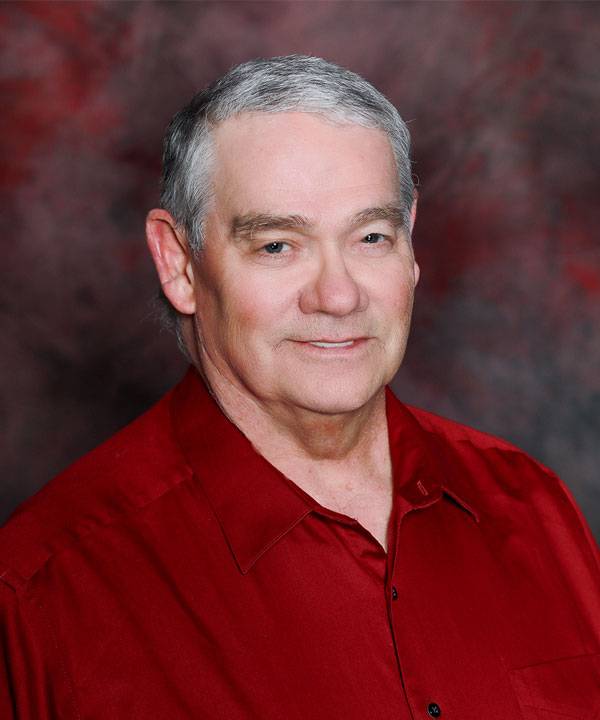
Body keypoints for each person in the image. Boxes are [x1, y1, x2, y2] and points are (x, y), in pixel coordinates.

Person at [1, 55, 598, 719]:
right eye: (278, 246)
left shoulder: (533, 509)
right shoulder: (41, 591)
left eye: (371, 236)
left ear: (410, 242)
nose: (338, 296)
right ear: (180, 264)